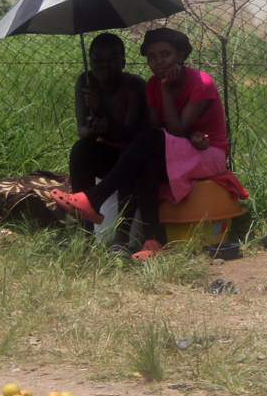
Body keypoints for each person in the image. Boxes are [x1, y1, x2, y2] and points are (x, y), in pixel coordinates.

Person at [51, 28, 230, 257]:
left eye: (165, 54)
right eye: (152, 57)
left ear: (181, 56)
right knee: (143, 159)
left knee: (143, 144)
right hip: (181, 149)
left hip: (209, 152)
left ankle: (94, 198)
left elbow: (172, 131)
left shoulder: (200, 82)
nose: (158, 62)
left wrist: (165, 89)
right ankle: (154, 242)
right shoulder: (154, 84)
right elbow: (159, 129)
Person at [67, 33, 148, 225]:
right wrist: (94, 130)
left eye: (112, 59)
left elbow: (130, 136)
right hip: (106, 153)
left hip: (132, 156)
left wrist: (101, 109)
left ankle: (122, 232)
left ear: (123, 62)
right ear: (90, 61)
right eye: (97, 59)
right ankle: (84, 226)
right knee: (80, 150)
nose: (104, 65)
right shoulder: (85, 82)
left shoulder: (134, 85)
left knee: (127, 154)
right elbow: (83, 133)